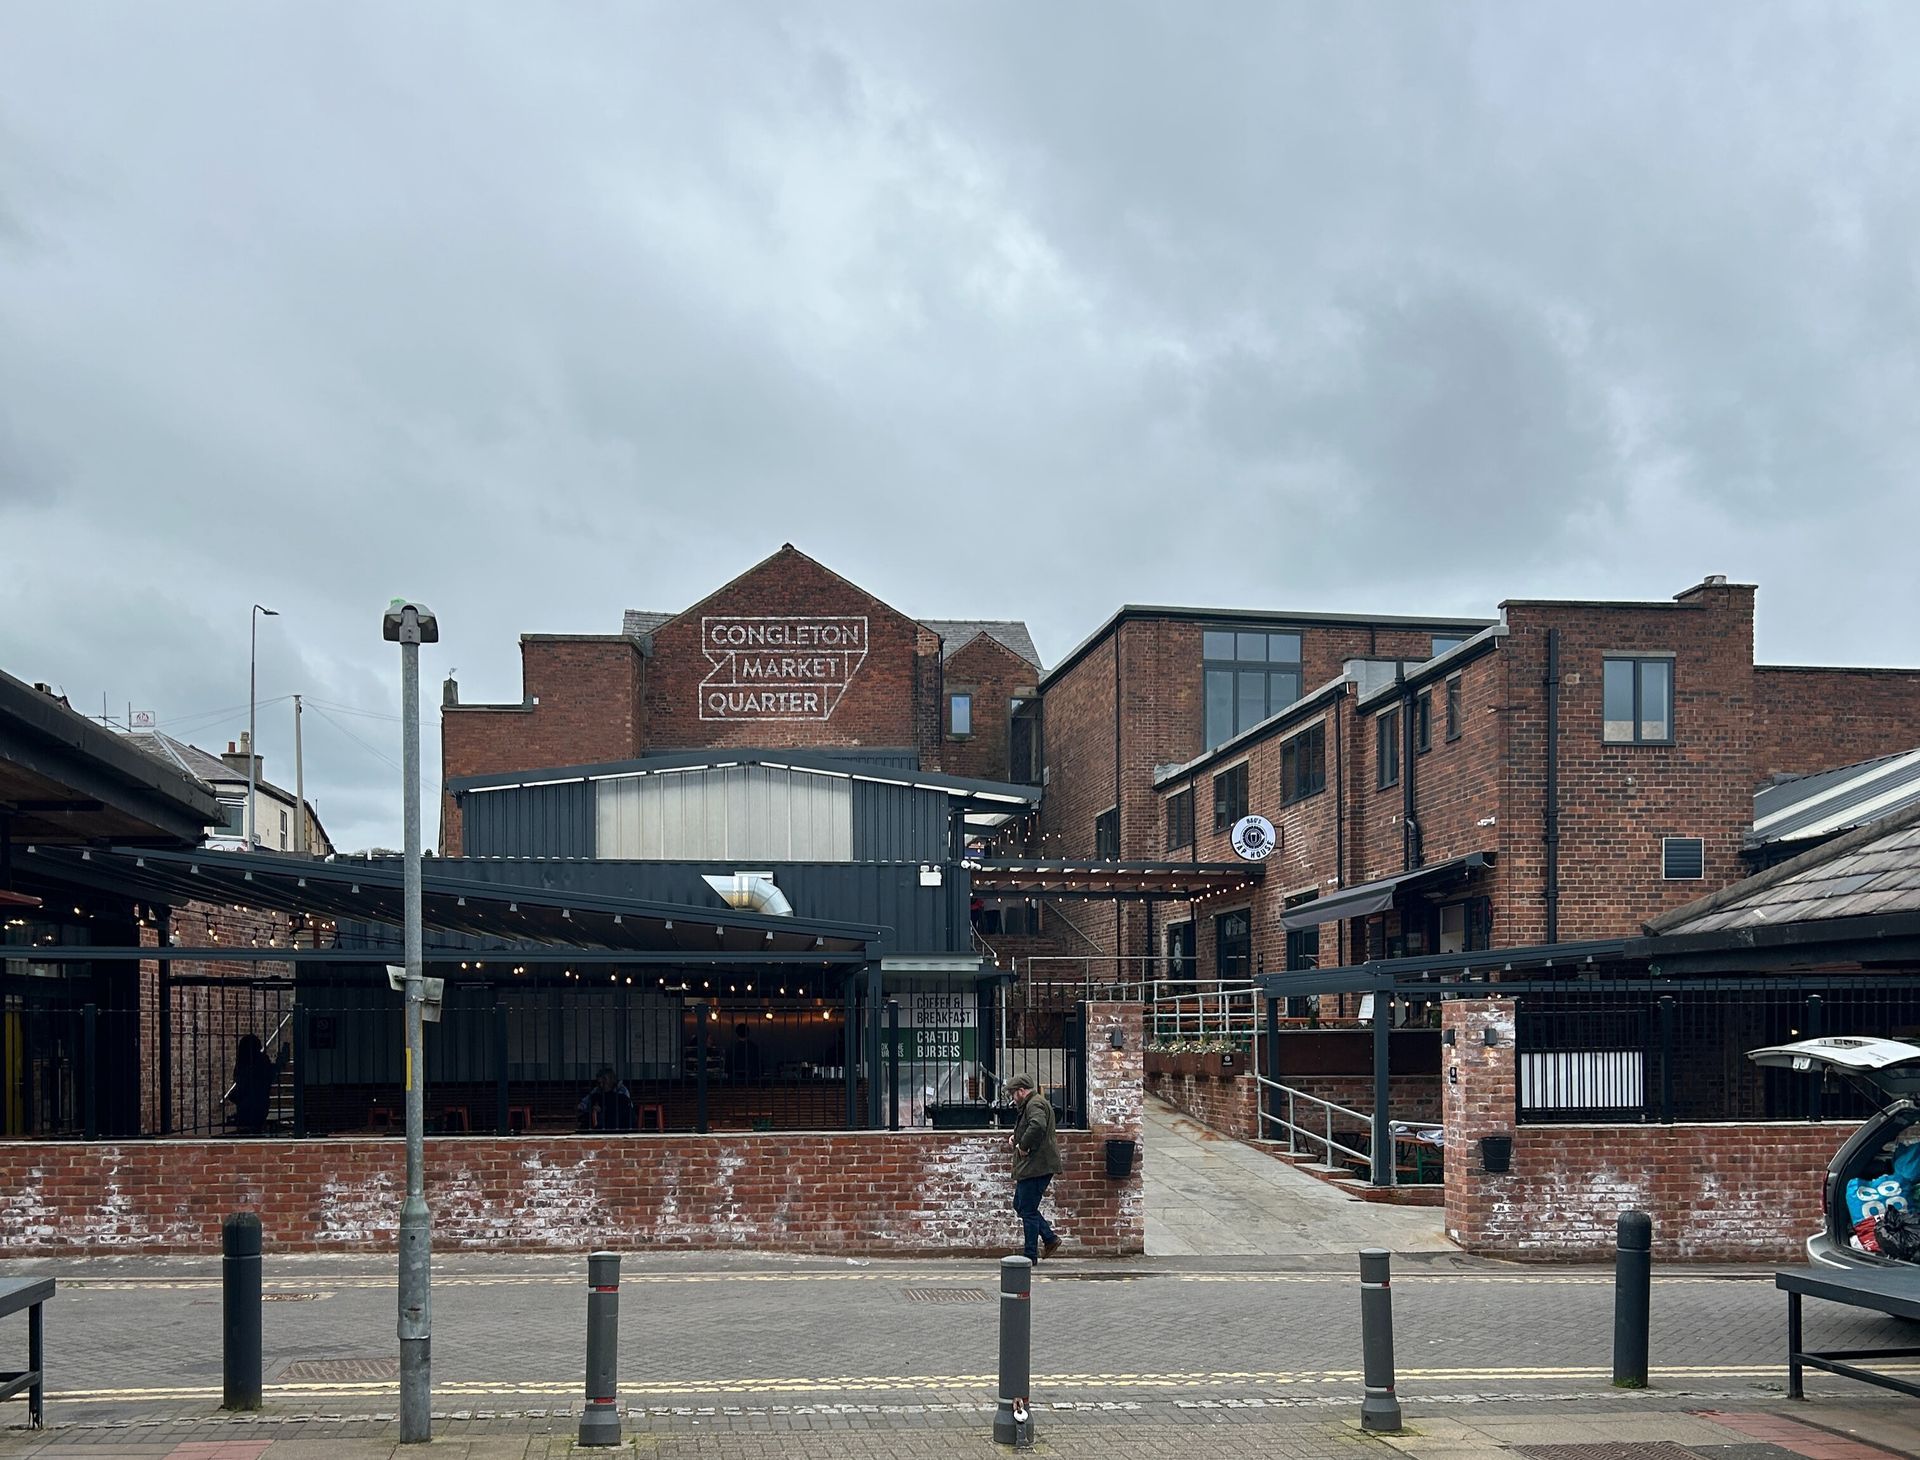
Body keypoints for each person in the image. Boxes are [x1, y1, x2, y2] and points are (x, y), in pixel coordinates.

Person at [1005, 1073, 1063, 1261]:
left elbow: (1037, 1125)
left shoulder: (1034, 1104)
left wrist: (1023, 1146)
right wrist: (1018, 1138)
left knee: (1028, 1210)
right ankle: (1049, 1238)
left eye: (1013, 1093)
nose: (1013, 1098)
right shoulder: (1032, 1103)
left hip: (1037, 1166)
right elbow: (1032, 1126)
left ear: (1021, 1091)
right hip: (1035, 1165)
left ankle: (1030, 1256)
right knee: (1020, 1205)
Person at [226, 1033, 290, 1136]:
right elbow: (271, 1075)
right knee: (255, 1130)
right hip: (260, 1102)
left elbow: (241, 1082)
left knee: (247, 1131)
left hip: (247, 1103)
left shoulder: (243, 1063)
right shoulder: (261, 1060)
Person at [577, 1067, 635, 1131]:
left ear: (611, 1080)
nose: (601, 1085)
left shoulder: (622, 1090)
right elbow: (584, 1103)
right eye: (599, 1083)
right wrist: (591, 1107)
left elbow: (628, 1107)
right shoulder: (597, 1090)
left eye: (604, 1082)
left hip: (620, 1122)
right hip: (602, 1123)